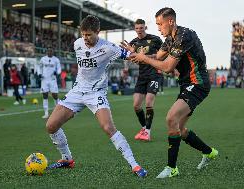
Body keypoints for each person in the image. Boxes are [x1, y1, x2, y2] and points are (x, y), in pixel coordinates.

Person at [45, 15, 147, 178]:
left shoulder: (108, 48)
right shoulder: (77, 43)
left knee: (108, 127)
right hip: (77, 92)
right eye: (83, 34)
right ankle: (67, 159)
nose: (85, 38)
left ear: (98, 32)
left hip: (96, 92)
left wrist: (134, 54)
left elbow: (131, 57)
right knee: (51, 126)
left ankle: (134, 165)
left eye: (89, 35)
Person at [124, 7, 218, 178]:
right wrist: (137, 54)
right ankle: (209, 152)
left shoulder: (184, 36)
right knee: (180, 129)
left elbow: (167, 67)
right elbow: (158, 57)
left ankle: (172, 168)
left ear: (171, 21)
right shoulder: (170, 39)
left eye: (160, 24)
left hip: (198, 83)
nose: (158, 28)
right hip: (186, 84)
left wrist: (143, 58)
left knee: (170, 118)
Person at [126, 19, 163, 141]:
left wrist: (145, 57)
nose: (139, 31)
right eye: (137, 28)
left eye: (141, 28)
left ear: (145, 28)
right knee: (136, 105)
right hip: (142, 76)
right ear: (135, 29)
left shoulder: (155, 39)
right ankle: (144, 128)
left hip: (155, 73)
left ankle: (147, 132)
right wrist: (131, 55)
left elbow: (163, 54)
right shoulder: (133, 43)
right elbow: (130, 57)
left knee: (148, 101)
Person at [38, 47, 61, 118]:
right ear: (47, 51)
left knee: (55, 95)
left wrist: (57, 73)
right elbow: (39, 67)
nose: (50, 52)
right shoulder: (43, 59)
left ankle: (58, 111)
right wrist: (39, 73)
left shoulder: (56, 60)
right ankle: (46, 113)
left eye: (51, 51)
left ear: (53, 52)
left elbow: (59, 68)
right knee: (45, 95)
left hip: (52, 80)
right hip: (44, 79)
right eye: (48, 51)